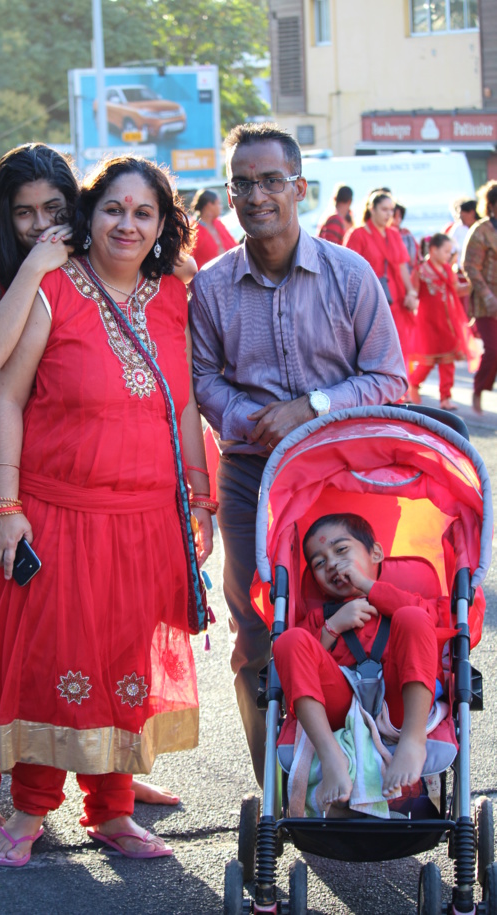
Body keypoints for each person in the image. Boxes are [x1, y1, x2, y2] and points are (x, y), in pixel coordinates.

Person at [0, 144, 177, 840]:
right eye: (24, 213)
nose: (39, 224)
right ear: (3, 214)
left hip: (50, 454)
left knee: (82, 627)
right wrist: (38, 265)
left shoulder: (83, 276)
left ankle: (100, 752)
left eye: (54, 210)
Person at [189, 122, 408, 785]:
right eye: (242, 183)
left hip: (346, 475)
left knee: (361, 616)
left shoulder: (351, 273)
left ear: (300, 188)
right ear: (230, 195)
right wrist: (249, 419)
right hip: (252, 474)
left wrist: (310, 408)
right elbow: (202, 377)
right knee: (258, 630)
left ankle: (374, 772)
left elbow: (390, 377)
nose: (256, 195)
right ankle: (281, 793)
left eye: (270, 180)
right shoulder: (211, 286)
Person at [273, 513, 440, 811]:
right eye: (319, 563)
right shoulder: (319, 618)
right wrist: (332, 627)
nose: (333, 564)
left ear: (375, 553)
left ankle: (412, 743)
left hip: (397, 705)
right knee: (289, 641)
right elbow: (300, 665)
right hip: (340, 709)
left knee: (414, 617)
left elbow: (429, 622)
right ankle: (330, 755)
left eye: (341, 550)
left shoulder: (400, 600)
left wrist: (367, 586)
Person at [345, 190, 419, 369]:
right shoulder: (358, 234)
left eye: (391, 210)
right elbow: (347, 269)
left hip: (397, 298)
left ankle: (399, 387)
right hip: (370, 298)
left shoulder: (394, 234)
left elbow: (402, 266)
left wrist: (410, 292)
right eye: (384, 209)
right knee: (376, 346)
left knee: (400, 344)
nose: (389, 214)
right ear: (372, 209)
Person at [408, 233, 473, 411]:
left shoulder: (447, 269)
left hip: (446, 320)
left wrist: (472, 284)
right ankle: (412, 385)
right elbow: (413, 292)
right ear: (434, 250)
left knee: (448, 360)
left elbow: (456, 289)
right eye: (445, 251)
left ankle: (445, 397)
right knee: (427, 361)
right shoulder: (420, 271)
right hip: (427, 321)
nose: (448, 254)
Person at [461, 180, 497, 415]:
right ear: (492, 205)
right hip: (487, 302)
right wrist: (487, 295)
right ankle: (478, 390)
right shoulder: (481, 230)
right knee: (493, 349)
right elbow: (470, 266)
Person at [190, 188, 238, 268]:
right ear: (209, 205)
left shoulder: (218, 223)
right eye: (219, 203)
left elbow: (234, 246)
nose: (221, 207)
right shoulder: (193, 230)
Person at [447, 198, 479, 266]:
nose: (459, 216)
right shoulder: (458, 228)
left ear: (472, 213)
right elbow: (450, 250)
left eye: (461, 213)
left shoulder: (485, 228)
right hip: (461, 271)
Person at [391, 202, 419, 268]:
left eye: (400, 216)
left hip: (409, 270)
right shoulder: (384, 234)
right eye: (394, 216)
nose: (398, 219)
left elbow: (417, 251)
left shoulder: (406, 233)